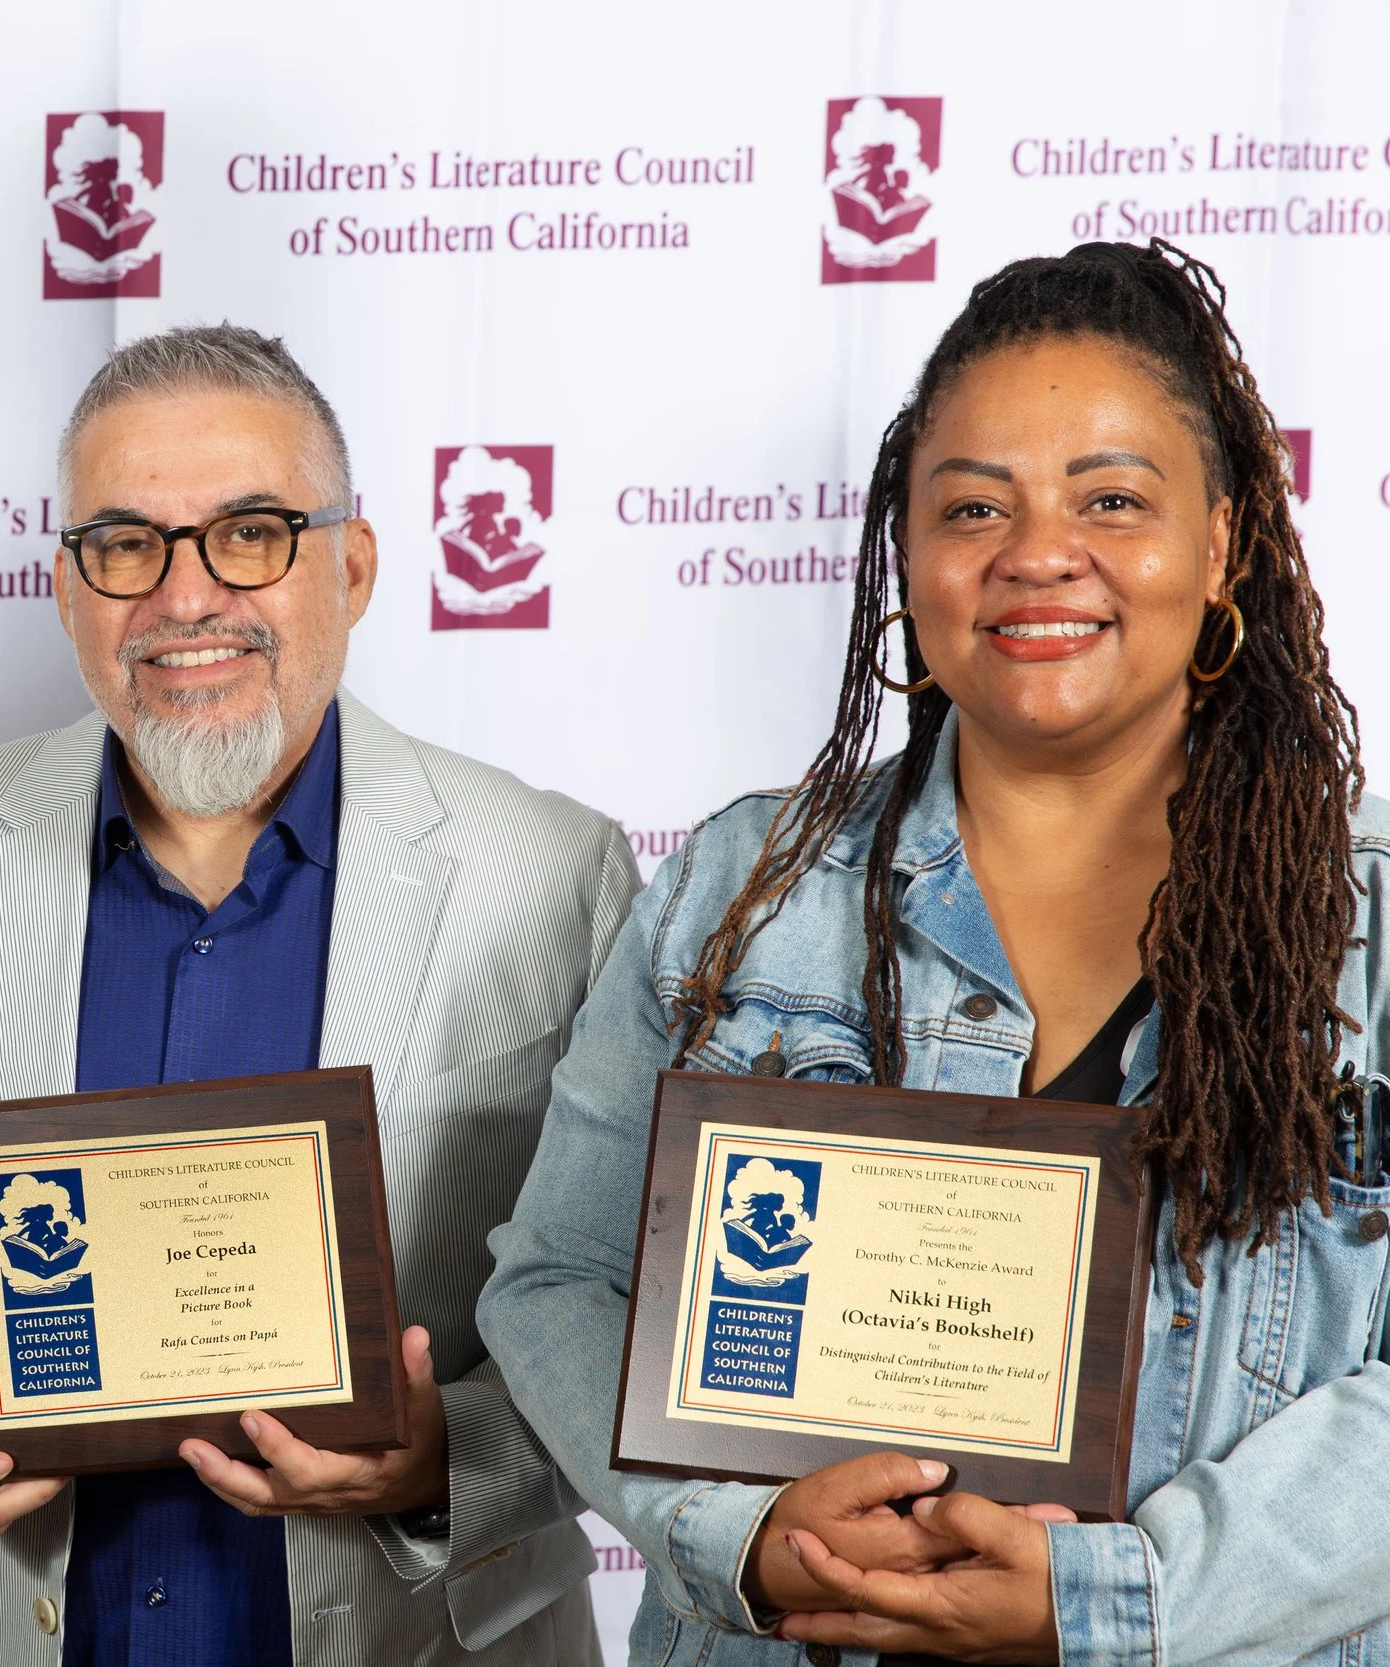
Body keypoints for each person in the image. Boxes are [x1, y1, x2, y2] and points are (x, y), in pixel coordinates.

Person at [478, 238, 1385, 1663]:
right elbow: (559, 1284)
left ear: (1223, 546)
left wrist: (1113, 1601)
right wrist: (745, 1537)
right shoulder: (740, 884)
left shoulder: (1374, 928)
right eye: (974, 506)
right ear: (908, 555)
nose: (1038, 552)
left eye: (1113, 498)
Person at [0, 324, 637, 1666]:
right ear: (69, 588)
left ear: (352, 566)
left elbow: (625, 1294)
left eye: (252, 532)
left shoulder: (554, 872)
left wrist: (446, 1458)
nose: (186, 596)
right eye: (125, 544)